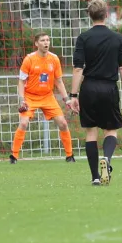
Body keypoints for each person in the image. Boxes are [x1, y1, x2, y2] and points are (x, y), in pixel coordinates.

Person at [69, 0, 122, 186]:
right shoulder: (117, 38)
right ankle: (107, 158)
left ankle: (95, 176)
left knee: (91, 133)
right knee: (110, 130)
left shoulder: (83, 38)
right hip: (109, 88)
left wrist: (73, 96)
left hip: (89, 88)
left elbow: (78, 69)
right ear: (106, 14)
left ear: (90, 15)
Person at [9, 33, 75, 164]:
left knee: (63, 123)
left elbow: (59, 81)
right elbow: (21, 81)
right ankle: (14, 156)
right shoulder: (29, 59)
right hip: (30, 96)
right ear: (36, 44)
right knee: (23, 123)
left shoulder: (54, 59)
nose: (46, 43)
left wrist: (67, 99)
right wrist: (22, 99)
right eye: (43, 40)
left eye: (48, 40)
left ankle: (70, 155)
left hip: (47, 96)